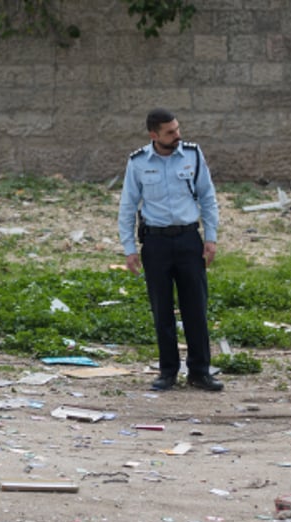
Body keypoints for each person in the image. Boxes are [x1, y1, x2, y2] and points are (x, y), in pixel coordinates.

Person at [118, 108, 222, 392]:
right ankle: (168, 371)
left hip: (189, 239)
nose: (178, 135)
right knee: (162, 310)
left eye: (177, 129)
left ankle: (200, 371)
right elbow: (128, 206)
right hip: (156, 243)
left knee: (196, 309)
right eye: (170, 132)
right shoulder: (138, 162)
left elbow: (208, 197)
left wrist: (210, 238)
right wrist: (130, 249)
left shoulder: (192, 155)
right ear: (154, 135)